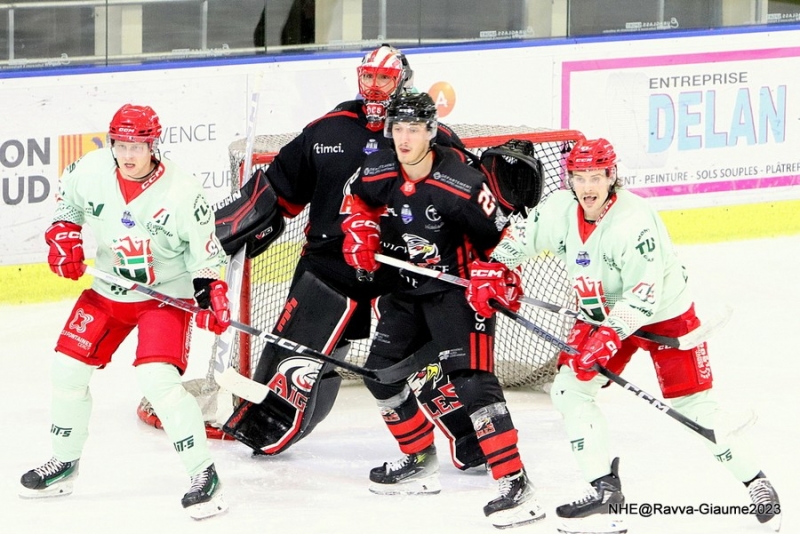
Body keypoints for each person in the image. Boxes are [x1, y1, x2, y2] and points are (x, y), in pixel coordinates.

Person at [467, 138, 782, 533]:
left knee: (695, 408)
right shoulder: (561, 209)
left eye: (595, 176)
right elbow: (520, 240)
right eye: (578, 177)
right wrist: (494, 269)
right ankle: (605, 492)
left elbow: (642, 297)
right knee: (569, 389)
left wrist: (605, 338)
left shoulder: (634, 223)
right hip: (599, 312)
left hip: (663, 316)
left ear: (612, 176)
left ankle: (757, 482)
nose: (586, 187)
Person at [222, 44, 486, 472]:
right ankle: (265, 425)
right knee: (294, 358)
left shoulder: (426, 133)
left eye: (384, 78)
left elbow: (467, 199)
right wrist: (245, 224)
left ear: (402, 79)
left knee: (424, 360)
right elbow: (281, 191)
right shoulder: (328, 129)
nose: (375, 86)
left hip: (402, 271)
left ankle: (472, 437)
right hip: (331, 265)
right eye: (369, 77)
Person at [340, 91, 544, 529]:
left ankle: (514, 481)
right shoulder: (378, 168)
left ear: (432, 132)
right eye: (398, 128)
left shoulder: (462, 183)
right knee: (380, 374)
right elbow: (358, 202)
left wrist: (501, 277)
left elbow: (506, 241)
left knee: (472, 385)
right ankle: (419, 459)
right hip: (408, 290)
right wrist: (360, 230)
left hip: (459, 294)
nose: (405, 137)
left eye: (414, 128)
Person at [19, 104, 231, 520]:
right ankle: (64, 463)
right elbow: (68, 206)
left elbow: (206, 257)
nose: (128, 154)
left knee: (157, 380)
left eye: (138, 144)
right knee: (66, 370)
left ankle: (204, 475)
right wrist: (63, 235)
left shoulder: (183, 192)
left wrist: (210, 294)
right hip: (106, 291)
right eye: (120, 144)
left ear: (154, 145)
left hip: (162, 299)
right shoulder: (91, 169)